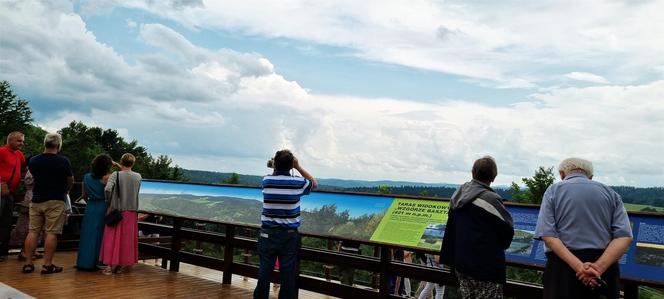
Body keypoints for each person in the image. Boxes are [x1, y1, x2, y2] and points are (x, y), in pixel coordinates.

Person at [534, 158, 632, 299]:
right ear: (590, 177)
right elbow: (624, 237)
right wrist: (598, 268)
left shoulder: (553, 191)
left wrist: (580, 268)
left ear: (562, 174)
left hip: (563, 269)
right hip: (604, 270)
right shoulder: (611, 193)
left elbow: (548, 235)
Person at [440, 155, 514, 299]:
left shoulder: (458, 194)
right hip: (485, 267)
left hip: (461, 263)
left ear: (473, 173)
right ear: (493, 177)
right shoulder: (491, 200)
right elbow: (507, 231)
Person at [254, 149, 317, 299]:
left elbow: (275, 172)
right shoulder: (297, 183)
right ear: (291, 165)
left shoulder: (267, 181)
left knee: (264, 271)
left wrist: (277, 165)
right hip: (289, 235)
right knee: (287, 273)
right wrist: (298, 166)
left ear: (275, 164)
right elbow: (314, 184)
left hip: (267, 233)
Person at [22, 133, 74, 274]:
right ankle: (47, 265)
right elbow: (70, 180)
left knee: (33, 231)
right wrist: (65, 191)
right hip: (56, 200)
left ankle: (28, 263)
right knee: (51, 233)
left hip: (36, 199)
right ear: (58, 145)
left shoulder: (34, 160)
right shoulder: (63, 161)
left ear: (45, 143)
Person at [99, 153, 142, 274]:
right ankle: (121, 265)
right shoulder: (138, 176)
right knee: (126, 240)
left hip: (116, 210)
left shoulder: (115, 174)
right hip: (132, 212)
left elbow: (107, 189)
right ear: (133, 163)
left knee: (111, 238)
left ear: (121, 162)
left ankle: (109, 266)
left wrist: (109, 200)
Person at [76, 154, 114, 270]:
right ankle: (98, 260)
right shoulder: (109, 177)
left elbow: (84, 195)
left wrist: (91, 201)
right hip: (103, 206)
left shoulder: (86, 177)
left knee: (87, 234)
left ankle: (84, 262)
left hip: (90, 206)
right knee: (100, 235)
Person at [0, 131, 26, 261]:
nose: (22, 143)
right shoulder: (2, 151)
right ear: (10, 140)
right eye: (19, 141)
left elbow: (25, 168)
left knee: (6, 222)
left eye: (22, 141)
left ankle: (2, 251)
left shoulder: (19, 155)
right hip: (1, 190)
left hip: (10, 193)